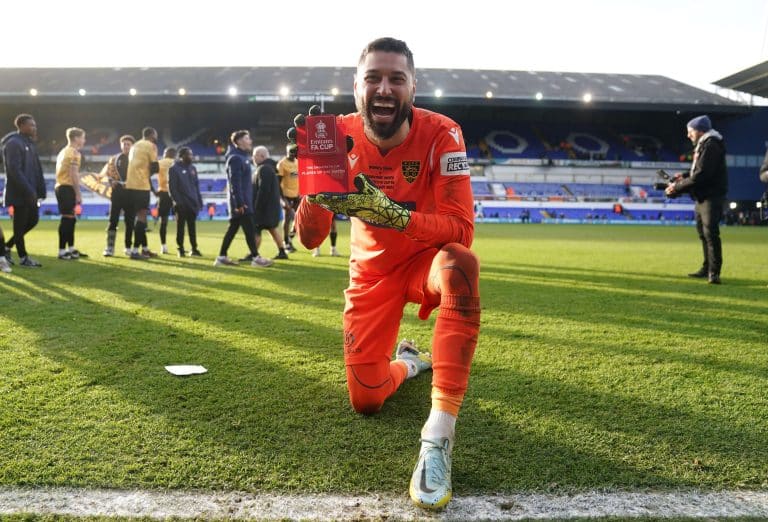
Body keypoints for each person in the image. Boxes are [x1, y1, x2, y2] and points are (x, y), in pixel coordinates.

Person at [290, 37, 480, 510]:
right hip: (371, 276)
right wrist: (315, 185)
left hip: (424, 262)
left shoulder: (443, 133)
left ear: (413, 86)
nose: (384, 88)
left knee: (461, 265)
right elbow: (310, 239)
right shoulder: (335, 136)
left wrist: (394, 215)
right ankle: (410, 362)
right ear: (356, 87)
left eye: (396, 78)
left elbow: (462, 228)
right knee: (367, 399)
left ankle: (438, 436)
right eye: (373, 77)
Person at [665, 115, 728, 284]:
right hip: (703, 196)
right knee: (704, 234)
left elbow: (702, 174)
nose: (688, 135)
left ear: (700, 131)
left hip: (710, 196)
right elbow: (699, 170)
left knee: (710, 234)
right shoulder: (706, 144)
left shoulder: (711, 144)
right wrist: (683, 176)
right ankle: (707, 268)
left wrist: (676, 187)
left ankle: (714, 273)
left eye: (690, 131)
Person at [214, 130, 273, 267]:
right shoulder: (235, 158)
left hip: (242, 201)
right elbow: (235, 183)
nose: (250, 141)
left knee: (234, 228)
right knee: (249, 229)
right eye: (247, 139)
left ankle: (222, 257)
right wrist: (240, 202)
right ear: (239, 141)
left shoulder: (242, 157)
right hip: (241, 202)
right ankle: (256, 258)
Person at [2, 114, 46, 267]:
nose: (34, 127)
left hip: (30, 192)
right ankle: (23, 257)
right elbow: (14, 170)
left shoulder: (30, 144)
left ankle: (7, 247)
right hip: (19, 192)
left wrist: (41, 190)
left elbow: (36, 169)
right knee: (19, 225)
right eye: (31, 125)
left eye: (35, 125)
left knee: (33, 221)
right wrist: (28, 190)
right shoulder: (14, 143)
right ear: (21, 126)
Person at [125, 127, 160, 259]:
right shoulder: (151, 146)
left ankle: (144, 249)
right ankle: (135, 251)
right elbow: (155, 167)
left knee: (139, 218)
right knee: (141, 218)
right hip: (141, 186)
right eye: (155, 135)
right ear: (152, 135)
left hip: (130, 186)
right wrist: (148, 174)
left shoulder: (135, 146)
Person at [54, 127, 88, 259]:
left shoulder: (63, 151)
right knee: (67, 219)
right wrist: (78, 193)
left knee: (71, 219)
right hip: (66, 187)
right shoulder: (74, 153)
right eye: (83, 137)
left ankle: (71, 249)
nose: (84, 140)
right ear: (76, 138)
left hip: (61, 186)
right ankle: (62, 251)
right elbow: (73, 174)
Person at [252, 146, 289, 260]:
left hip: (264, 207)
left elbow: (264, 190)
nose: (253, 159)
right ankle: (282, 252)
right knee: (272, 229)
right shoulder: (270, 168)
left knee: (256, 229)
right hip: (270, 207)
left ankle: (254, 254)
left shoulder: (264, 169)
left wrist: (257, 207)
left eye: (254, 156)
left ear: (262, 156)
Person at [102, 134, 136, 257]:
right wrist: (111, 181)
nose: (126, 146)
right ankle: (109, 248)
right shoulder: (114, 159)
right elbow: (107, 175)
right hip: (116, 194)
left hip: (131, 194)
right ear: (121, 145)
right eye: (124, 144)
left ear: (133, 146)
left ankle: (128, 247)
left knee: (130, 222)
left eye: (128, 144)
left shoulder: (136, 160)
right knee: (113, 221)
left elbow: (141, 176)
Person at [168, 147, 203, 257]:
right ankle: (180, 249)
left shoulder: (193, 168)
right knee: (180, 227)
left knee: (192, 227)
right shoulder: (174, 168)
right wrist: (177, 201)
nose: (191, 157)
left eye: (191, 154)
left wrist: (199, 201)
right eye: (188, 155)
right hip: (181, 204)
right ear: (181, 156)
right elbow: (172, 188)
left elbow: (196, 186)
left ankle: (194, 249)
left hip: (192, 203)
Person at [276, 143, 300, 252]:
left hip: (297, 195)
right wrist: (282, 198)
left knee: (298, 219)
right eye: (292, 151)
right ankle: (286, 242)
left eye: (295, 151)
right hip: (286, 195)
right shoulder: (282, 164)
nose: (293, 154)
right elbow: (278, 183)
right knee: (287, 218)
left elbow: (298, 179)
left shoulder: (298, 162)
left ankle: (290, 238)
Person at [155, 147, 176, 254]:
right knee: (180, 221)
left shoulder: (159, 163)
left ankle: (163, 246)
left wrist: (154, 191)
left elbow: (146, 174)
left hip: (163, 194)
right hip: (176, 195)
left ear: (166, 154)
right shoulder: (177, 163)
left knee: (163, 222)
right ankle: (180, 247)